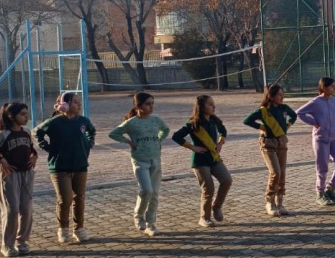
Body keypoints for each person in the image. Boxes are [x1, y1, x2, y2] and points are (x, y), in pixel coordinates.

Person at [35, 92, 95, 244]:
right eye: (75, 102)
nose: (79, 105)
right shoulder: (55, 122)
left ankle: (79, 228)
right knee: (65, 199)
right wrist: (45, 146)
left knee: (79, 197)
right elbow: (37, 131)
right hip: (60, 167)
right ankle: (63, 229)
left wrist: (89, 142)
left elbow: (91, 130)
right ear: (65, 105)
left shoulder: (83, 121)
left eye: (79, 102)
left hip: (80, 166)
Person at [108, 92, 170, 233]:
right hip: (140, 160)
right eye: (148, 104)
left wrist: (159, 139)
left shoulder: (156, 119)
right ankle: (138, 215)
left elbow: (166, 129)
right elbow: (113, 133)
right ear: (138, 106)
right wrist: (128, 141)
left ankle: (151, 223)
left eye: (152, 103)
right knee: (146, 190)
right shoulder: (131, 123)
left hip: (155, 158)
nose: (151, 107)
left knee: (154, 193)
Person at [0, 103, 37, 257]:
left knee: (26, 209)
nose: (26, 117)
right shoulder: (3, 134)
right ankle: (7, 244)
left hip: (26, 174)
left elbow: (31, 149)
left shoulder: (26, 132)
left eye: (26, 113)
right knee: (12, 210)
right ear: (11, 116)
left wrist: (34, 156)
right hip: (10, 175)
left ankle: (22, 241)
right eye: (22, 114)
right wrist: (1, 160)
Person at [172, 95, 232, 227]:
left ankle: (216, 206)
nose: (213, 106)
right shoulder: (193, 123)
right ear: (201, 107)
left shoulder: (214, 120)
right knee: (208, 188)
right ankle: (204, 217)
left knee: (227, 180)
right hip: (200, 161)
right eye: (210, 104)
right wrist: (192, 147)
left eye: (213, 104)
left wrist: (221, 142)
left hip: (214, 157)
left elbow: (223, 131)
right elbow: (176, 136)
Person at [242, 84, 298, 216]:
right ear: (271, 96)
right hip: (268, 143)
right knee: (275, 172)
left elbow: (294, 116)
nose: (282, 97)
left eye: (282, 94)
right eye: (279, 94)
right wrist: (261, 127)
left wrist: (288, 125)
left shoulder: (284, 108)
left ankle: (280, 203)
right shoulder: (263, 111)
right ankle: (270, 202)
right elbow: (247, 120)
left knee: (282, 172)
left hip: (282, 142)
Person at [296, 77, 335, 206]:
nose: (334, 88)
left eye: (334, 86)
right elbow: (299, 113)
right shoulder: (315, 102)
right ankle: (320, 193)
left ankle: (331, 188)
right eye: (331, 86)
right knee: (322, 167)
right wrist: (314, 122)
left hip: (334, 138)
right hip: (321, 139)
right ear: (323, 88)